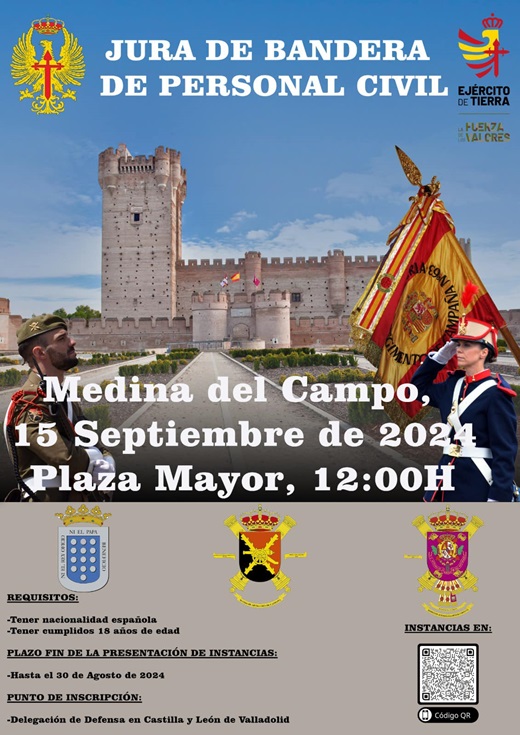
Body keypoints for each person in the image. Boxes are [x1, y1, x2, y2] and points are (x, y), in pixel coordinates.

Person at [3, 314, 115, 501]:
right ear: (40, 353)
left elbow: (87, 434)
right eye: (62, 339)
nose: (72, 342)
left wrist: (106, 457)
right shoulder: (28, 403)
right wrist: (95, 461)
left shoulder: (60, 394)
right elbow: (62, 456)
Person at [411, 317, 518, 502]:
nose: (459, 349)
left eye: (467, 345)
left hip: (477, 485)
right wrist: (439, 358)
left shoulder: (496, 394)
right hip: (444, 480)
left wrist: (498, 498)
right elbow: (417, 389)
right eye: (458, 344)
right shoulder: (452, 386)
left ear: (484, 352)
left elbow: (505, 453)